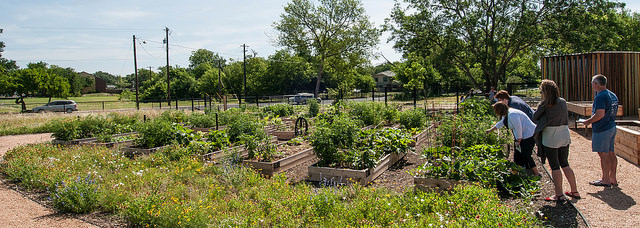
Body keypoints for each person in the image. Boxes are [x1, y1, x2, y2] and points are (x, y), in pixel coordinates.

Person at [533, 79, 578, 201]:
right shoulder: (562, 102)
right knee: (565, 163)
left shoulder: (544, 105)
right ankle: (574, 190)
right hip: (564, 134)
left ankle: (559, 194)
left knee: (555, 166)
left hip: (551, 136)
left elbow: (535, 117)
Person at [583, 74, 619, 187]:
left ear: (595, 84)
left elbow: (600, 114)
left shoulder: (600, 96)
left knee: (603, 154)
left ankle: (605, 179)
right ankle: (613, 178)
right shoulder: (612, 95)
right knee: (611, 153)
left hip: (602, 128)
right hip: (611, 126)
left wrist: (588, 121)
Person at [486, 102, 541, 176]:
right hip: (521, 136)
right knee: (517, 154)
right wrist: (491, 130)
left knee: (526, 154)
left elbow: (518, 128)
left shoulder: (513, 115)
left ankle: (536, 173)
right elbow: (501, 123)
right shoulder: (506, 114)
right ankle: (517, 172)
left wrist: (519, 140)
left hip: (529, 135)